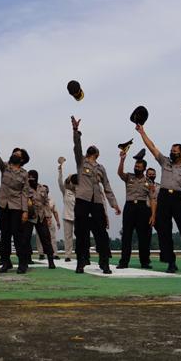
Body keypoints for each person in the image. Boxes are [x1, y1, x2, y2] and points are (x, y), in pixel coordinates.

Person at [136, 124, 181, 273]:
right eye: (171, 151)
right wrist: (142, 132)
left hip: (180, 199)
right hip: (164, 198)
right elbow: (152, 147)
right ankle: (171, 262)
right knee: (164, 230)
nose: (171, 153)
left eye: (174, 151)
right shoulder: (165, 162)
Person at [71, 116, 121, 274]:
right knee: (81, 232)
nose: (93, 150)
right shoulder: (81, 162)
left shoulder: (101, 167)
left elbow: (107, 186)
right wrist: (75, 131)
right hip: (82, 200)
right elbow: (77, 147)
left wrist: (114, 204)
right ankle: (81, 262)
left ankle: (104, 262)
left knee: (101, 233)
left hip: (97, 202)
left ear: (98, 154)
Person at [0, 143, 30, 273]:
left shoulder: (24, 174)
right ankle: (6, 262)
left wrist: (25, 211)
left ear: (22, 160)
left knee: (17, 234)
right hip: (2, 204)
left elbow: (25, 193)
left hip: (16, 206)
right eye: (14, 153)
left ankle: (22, 263)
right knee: (4, 234)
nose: (14, 155)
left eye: (18, 154)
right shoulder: (5, 167)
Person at [116, 150, 152, 269]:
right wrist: (122, 159)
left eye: (139, 167)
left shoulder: (149, 182)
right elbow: (120, 173)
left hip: (143, 208)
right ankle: (124, 261)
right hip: (130, 207)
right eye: (135, 166)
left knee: (143, 237)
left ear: (144, 169)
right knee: (126, 235)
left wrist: (153, 215)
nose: (136, 168)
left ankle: (145, 261)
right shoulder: (129, 177)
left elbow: (152, 199)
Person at [23, 172, 55, 272]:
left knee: (46, 238)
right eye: (30, 177)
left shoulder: (42, 189)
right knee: (25, 239)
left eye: (33, 177)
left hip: (41, 217)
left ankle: (51, 260)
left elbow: (46, 203)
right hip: (29, 216)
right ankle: (26, 260)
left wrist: (48, 217)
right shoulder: (25, 188)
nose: (31, 179)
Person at [57, 161, 77, 262]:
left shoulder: (80, 192)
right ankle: (68, 255)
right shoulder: (66, 191)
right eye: (69, 181)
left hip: (78, 216)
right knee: (68, 236)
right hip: (67, 216)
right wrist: (60, 171)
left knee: (81, 235)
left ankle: (82, 253)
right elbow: (60, 182)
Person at [37, 194, 61, 261]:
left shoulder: (52, 200)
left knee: (52, 237)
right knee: (39, 237)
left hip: (50, 219)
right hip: (40, 220)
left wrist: (58, 221)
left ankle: (55, 254)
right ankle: (41, 254)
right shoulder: (37, 199)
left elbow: (55, 212)